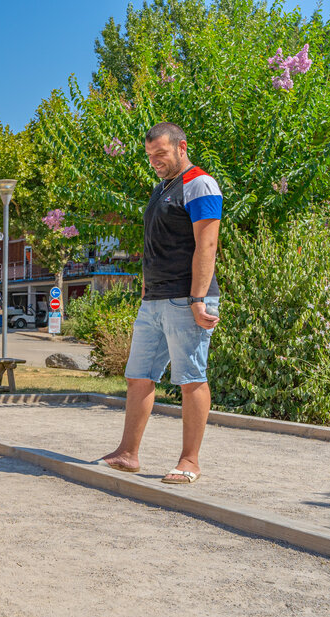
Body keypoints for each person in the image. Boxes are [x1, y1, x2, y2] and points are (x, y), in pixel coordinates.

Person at [102, 122, 222, 485]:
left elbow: (207, 246)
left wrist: (199, 299)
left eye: (160, 153)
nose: (154, 160)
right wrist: (144, 290)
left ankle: (189, 461)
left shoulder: (199, 183)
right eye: (149, 155)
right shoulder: (161, 189)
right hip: (154, 299)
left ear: (181, 147)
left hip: (187, 298)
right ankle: (128, 453)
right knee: (138, 376)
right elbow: (154, 246)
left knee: (191, 378)